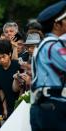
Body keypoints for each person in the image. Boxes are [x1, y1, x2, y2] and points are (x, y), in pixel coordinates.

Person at [30, 1, 66, 131]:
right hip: (52, 106)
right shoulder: (52, 45)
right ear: (57, 24)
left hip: (44, 105)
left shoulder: (46, 43)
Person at [0, 40, 20, 118]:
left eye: (3, 57)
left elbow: (21, 88)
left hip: (20, 102)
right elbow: (0, 90)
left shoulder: (17, 65)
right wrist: (4, 109)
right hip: (8, 104)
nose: (1, 60)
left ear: (9, 54)